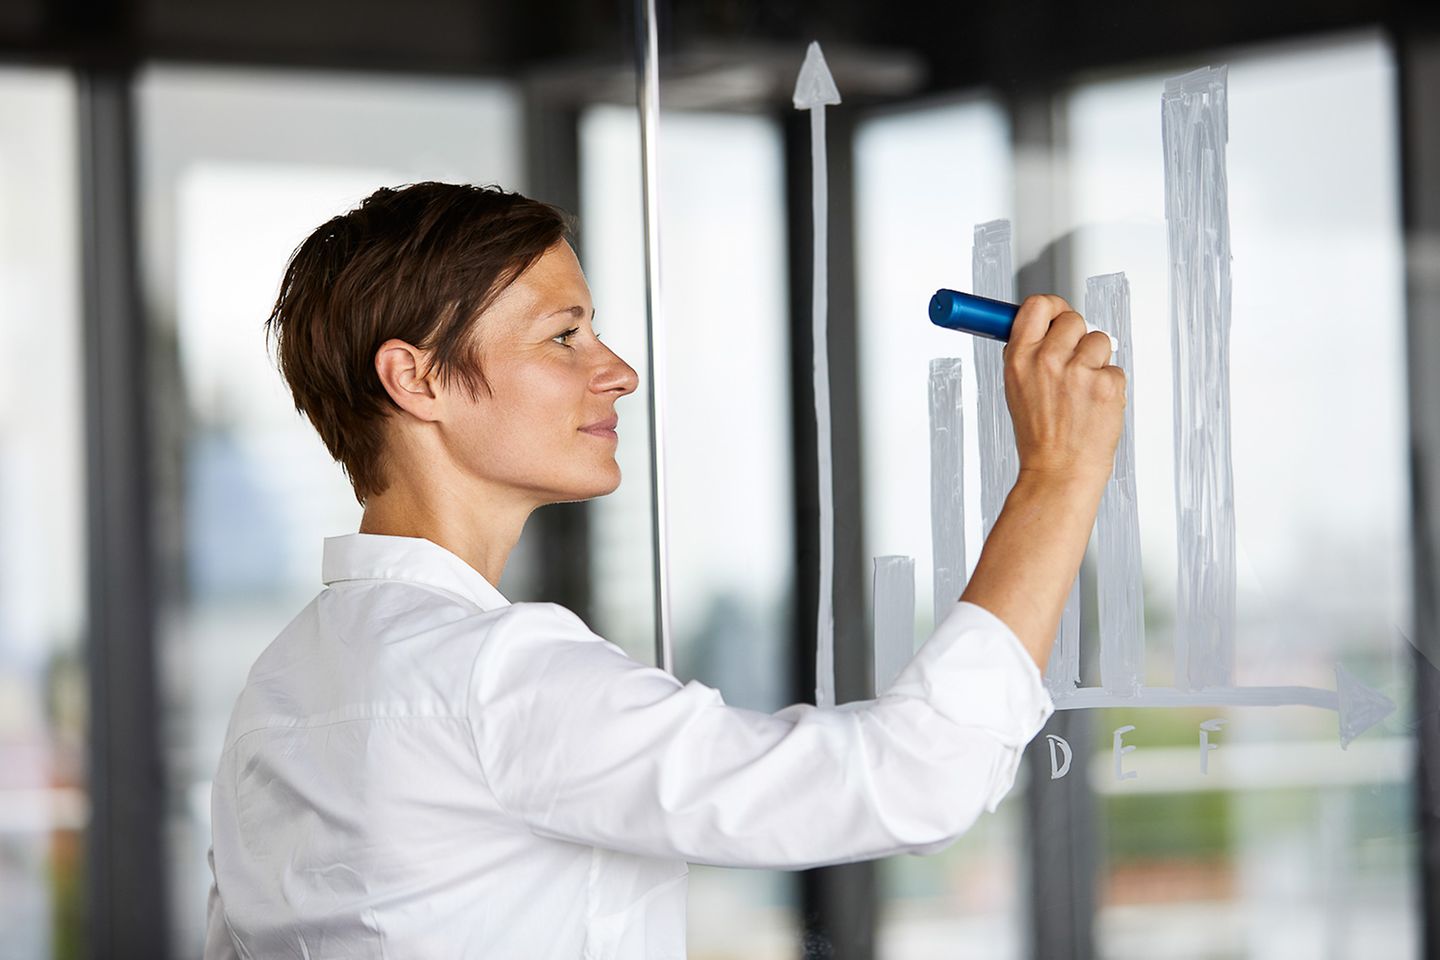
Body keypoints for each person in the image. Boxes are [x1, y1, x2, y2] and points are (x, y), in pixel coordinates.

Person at [202, 182, 1124, 959]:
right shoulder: (495, 677)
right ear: (418, 379)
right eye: (564, 335)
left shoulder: (281, 684)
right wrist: (1059, 473)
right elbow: (915, 780)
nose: (618, 372)